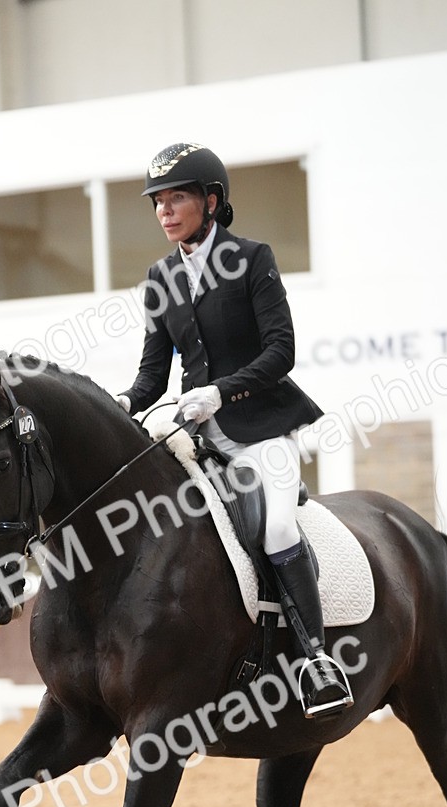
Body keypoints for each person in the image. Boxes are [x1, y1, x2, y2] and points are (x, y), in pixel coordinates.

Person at [116, 141, 353, 719]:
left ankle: (316, 660)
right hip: (196, 441)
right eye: (157, 202)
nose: (164, 211)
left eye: (176, 198)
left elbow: (282, 351)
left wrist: (221, 391)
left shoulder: (252, 258)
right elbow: (153, 374)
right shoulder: (161, 277)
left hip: (260, 436)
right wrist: (121, 402)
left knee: (274, 530)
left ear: (212, 199)